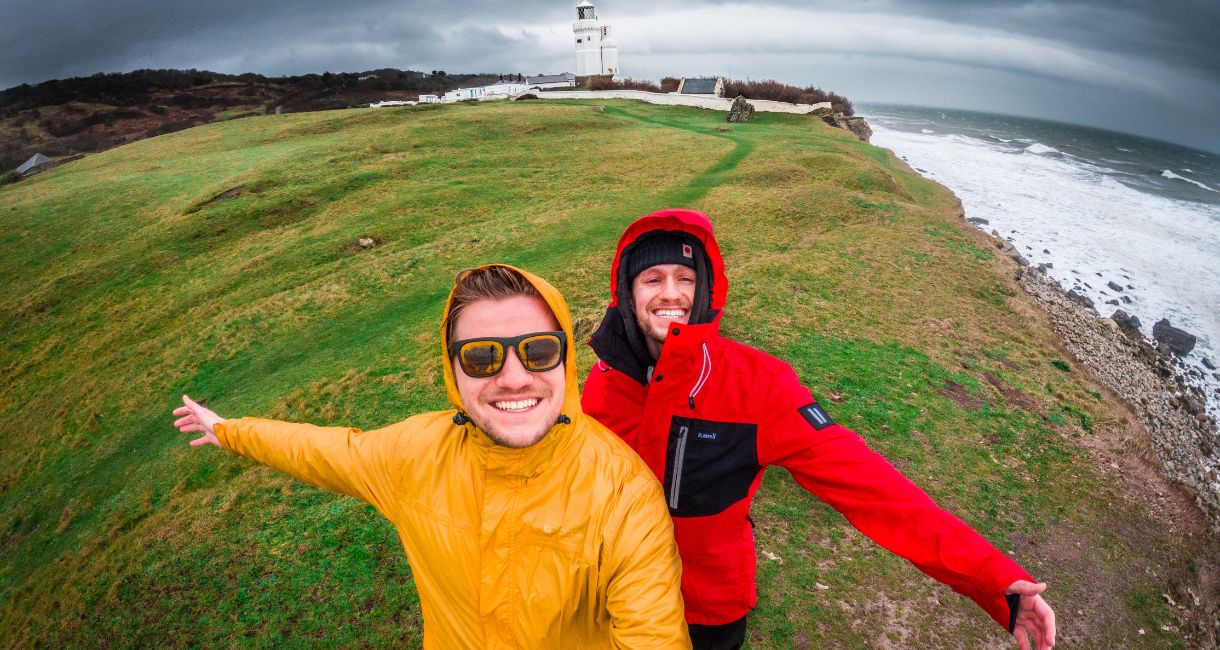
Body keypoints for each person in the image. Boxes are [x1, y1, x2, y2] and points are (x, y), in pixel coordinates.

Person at [582, 209, 1057, 650]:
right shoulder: (602, 382)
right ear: (628, 293)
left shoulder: (760, 385)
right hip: (615, 597)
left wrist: (993, 579)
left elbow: (873, 489)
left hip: (705, 612)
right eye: (652, 279)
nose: (670, 294)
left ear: (704, 291)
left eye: (685, 278)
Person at [172, 264, 691, 649]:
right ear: (452, 372)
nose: (513, 377)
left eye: (538, 350)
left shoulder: (626, 497)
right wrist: (230, 431)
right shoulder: (411, 456)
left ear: (565, 357)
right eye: (482, 355)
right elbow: (319, 450)